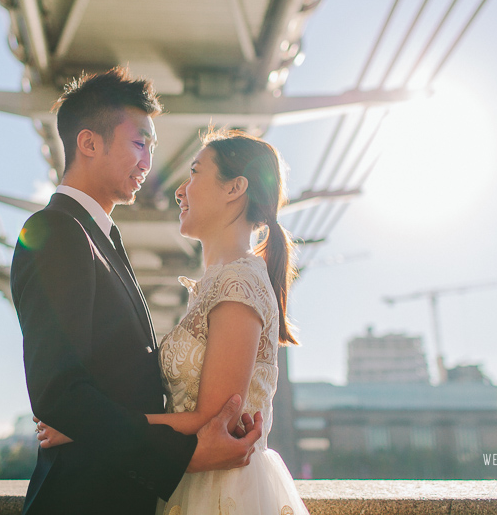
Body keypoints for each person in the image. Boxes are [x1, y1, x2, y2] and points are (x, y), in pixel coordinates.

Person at [10, 68, 264, 515]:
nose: (148, 162)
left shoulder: (103, 239)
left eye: (152, 147)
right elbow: (59, 393)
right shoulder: (55, 232)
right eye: (139, 143)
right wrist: (185, 455)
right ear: (89, 143)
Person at [38, 129, 308, 514]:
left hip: (221, 491)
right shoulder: (221, 282)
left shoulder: (239, 282)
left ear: (235, 188)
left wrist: (87, 429)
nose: (181, 190)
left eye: (195, 173)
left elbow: (212, 420)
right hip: (194, 481)